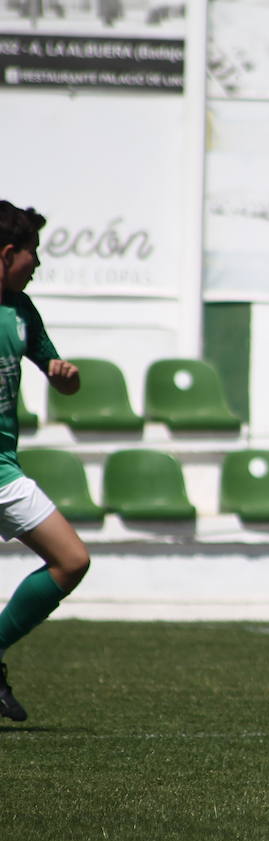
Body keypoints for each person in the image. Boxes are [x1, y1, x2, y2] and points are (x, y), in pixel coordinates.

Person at [0, 201, 91, 722]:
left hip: (3, 470)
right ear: (8, 252)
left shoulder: (21, 310)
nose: (38, 263)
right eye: (33, 252)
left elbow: (67, 381)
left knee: (71, 560)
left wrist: (63, 375)